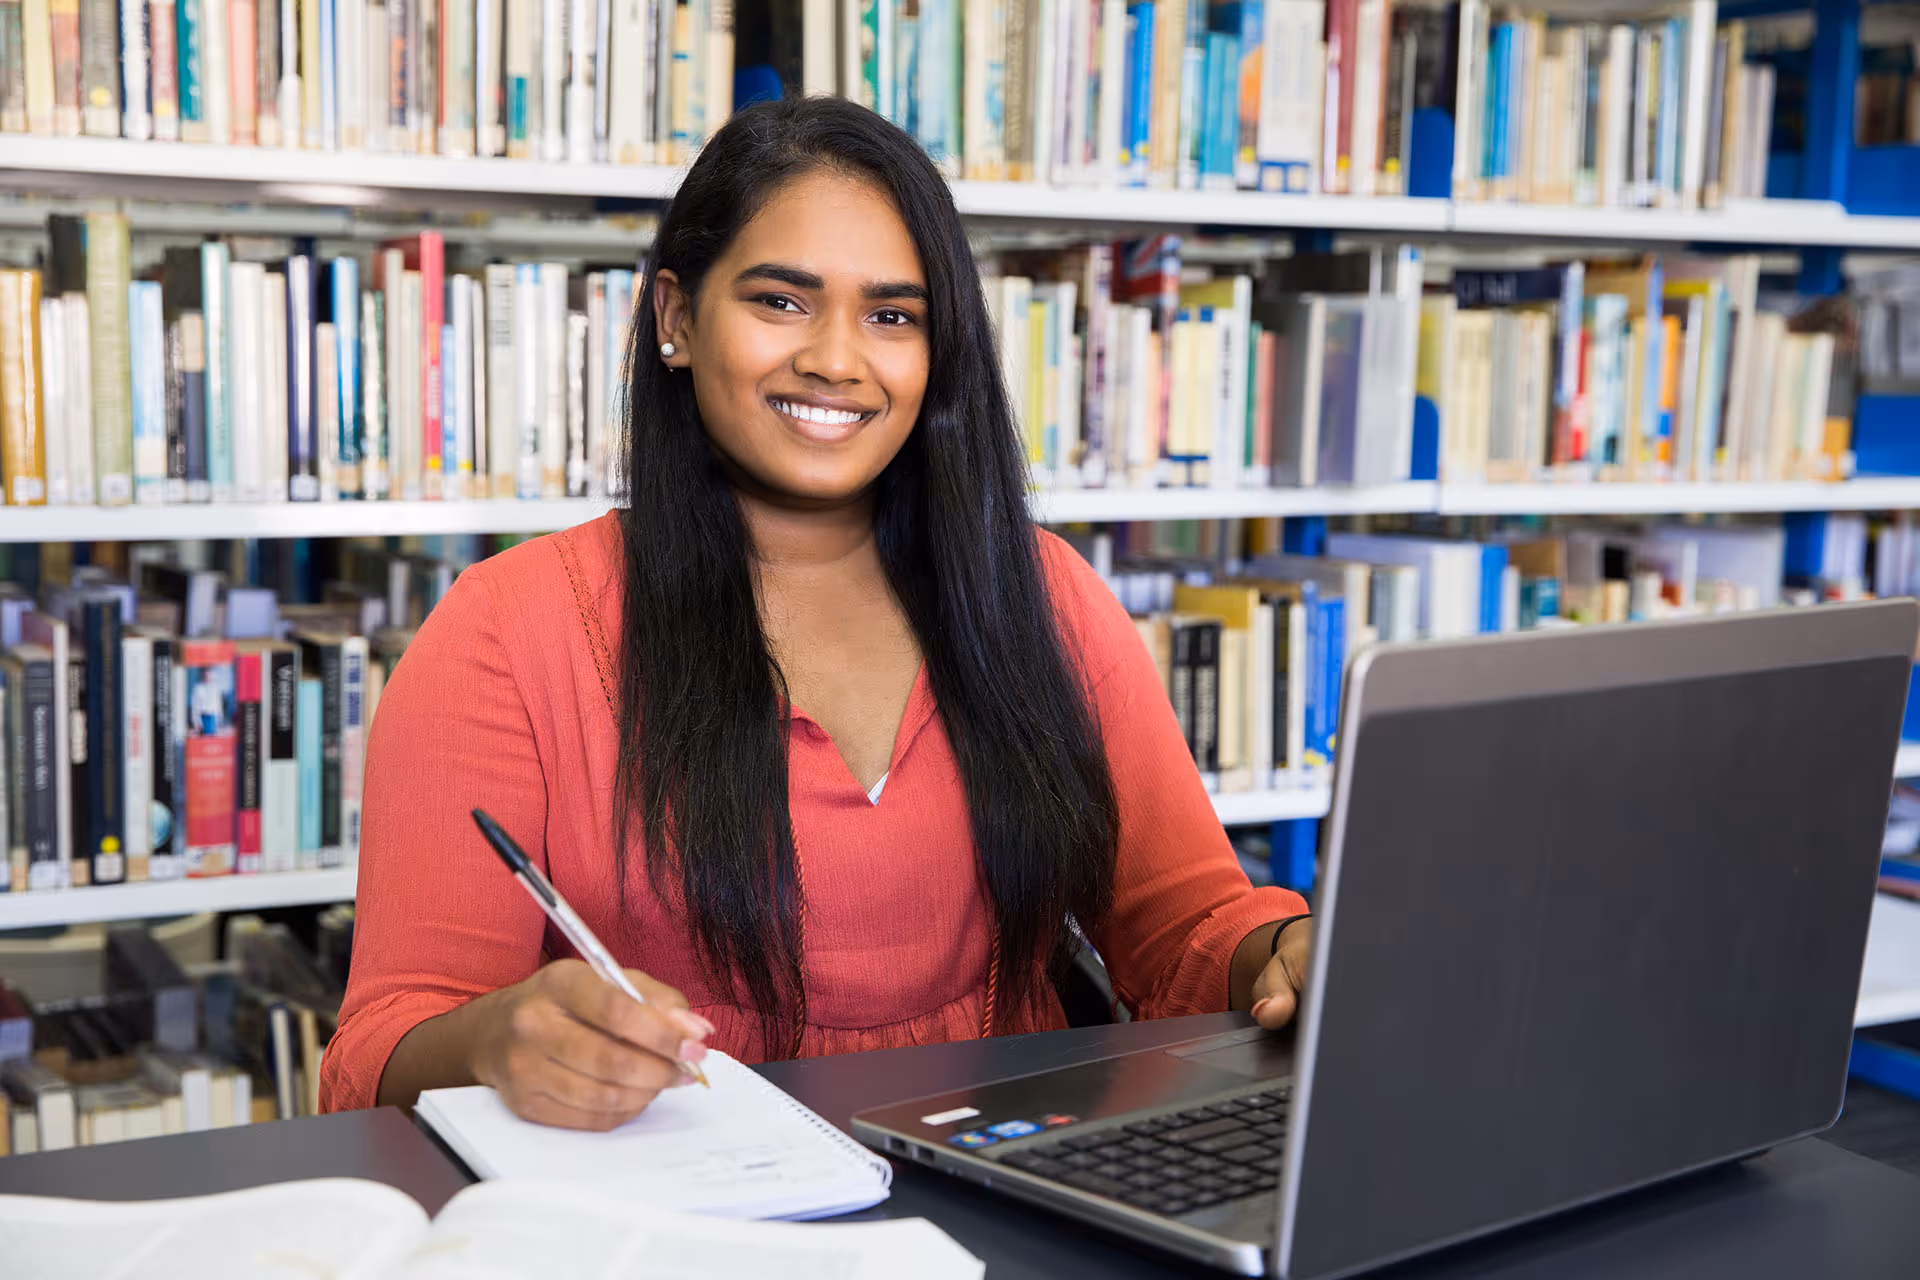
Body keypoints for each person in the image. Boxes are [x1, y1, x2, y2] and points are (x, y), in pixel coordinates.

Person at [319, 96, 1314, 1131]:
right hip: (675, 1223)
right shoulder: (506, 634)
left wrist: (1279, 953)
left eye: (893, 315)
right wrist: (495, 1039)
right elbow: (376, 1049)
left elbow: (1188, 924)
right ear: (674, 318)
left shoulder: (1041, 593)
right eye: (783, 301)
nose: (838, 359)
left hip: (1010, 1198)